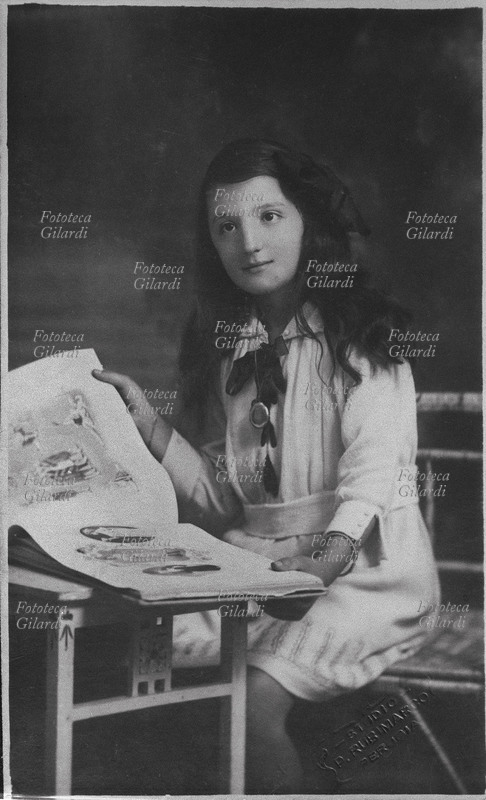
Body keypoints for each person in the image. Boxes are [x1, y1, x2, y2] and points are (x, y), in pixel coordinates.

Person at [93, 139, 440, 793]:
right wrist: (152, 426)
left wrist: (324, 563)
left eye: (269, 217)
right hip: (267, 562)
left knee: (249, 706)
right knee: (136, 656)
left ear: (308, 222)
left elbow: (374, 472)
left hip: (363, 575)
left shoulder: (362, 340)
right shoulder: (239, 353)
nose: (248, 242)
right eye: (227, 227)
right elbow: (230, 501)